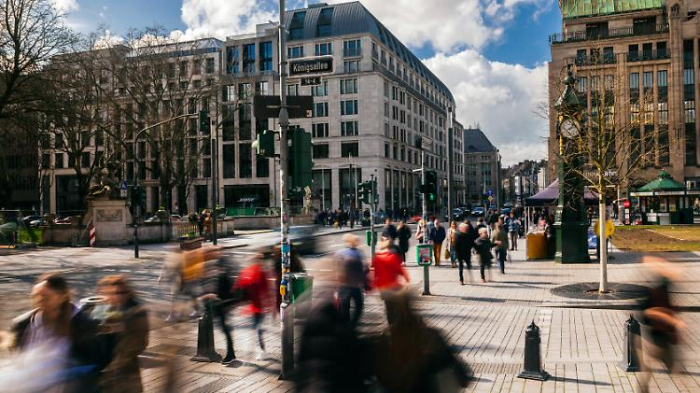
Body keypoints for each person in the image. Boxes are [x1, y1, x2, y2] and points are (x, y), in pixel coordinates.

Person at [9, 273, 106, 392]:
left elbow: (92, 366)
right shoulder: (22, 325)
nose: (38, 301)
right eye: (35, 296)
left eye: (45, 297)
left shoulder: (83, 325)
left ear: (62, 297)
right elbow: (19, 362)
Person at [638, 256, 686, 393]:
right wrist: (673, 321)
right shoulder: (655, 289)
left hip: (662, 337)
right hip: (653, 339)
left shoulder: (664, 286)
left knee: (671, 369)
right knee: (653, 369)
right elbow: (649, 313)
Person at [97, 275, 149, 392]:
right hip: (105, 374)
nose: (116, 297)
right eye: (110, 293)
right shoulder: (103, 309)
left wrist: (123, 329)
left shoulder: (136, 312)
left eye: (121, 293)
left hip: (125, 376)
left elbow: (139, 344)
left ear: (128, 293)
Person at [234, 254, 270, 360]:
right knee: (256, 328)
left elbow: (265, 290)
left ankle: (262, 350)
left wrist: (268, 305)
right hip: (254, 306)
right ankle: (260, 349)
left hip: (260, 306)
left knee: (258, 328)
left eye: (258, 260)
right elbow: (241, 286)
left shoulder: (261, 273)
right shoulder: (249, 272)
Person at [371, 237, 410, 326]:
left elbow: (375, 272)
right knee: (395, 304)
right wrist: (407, 280)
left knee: (388, 306)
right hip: (392, 285)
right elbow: (400, 270)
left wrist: (373, 285)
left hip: (382, 287)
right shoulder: (392, 257)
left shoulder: (377, 258)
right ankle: (396, 323)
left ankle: (390, 323)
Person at [334, 234, 368, 327]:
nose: (357, 243)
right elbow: (364, 269)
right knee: (358, 306)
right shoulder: (358, 254)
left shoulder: (339, 253)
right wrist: (365, 284)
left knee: (345, 308)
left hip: (344, 285)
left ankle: (347, 326)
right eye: (356, 241)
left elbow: (336, 268)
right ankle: (350, 326)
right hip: (353, 286)